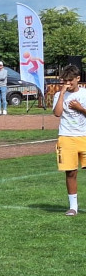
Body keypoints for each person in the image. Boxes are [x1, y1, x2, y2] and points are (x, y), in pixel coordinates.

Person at [53, 65, 86, 216]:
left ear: (78, 79)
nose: (67, 83)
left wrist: (80, 108)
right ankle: (73, 207)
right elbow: (57, 113)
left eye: (70, 80)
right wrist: (61, 94)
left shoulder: (85, 94)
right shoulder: (60, 95)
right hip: (66, 137)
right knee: (71, 172)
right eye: (64, 81)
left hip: (84, 136)